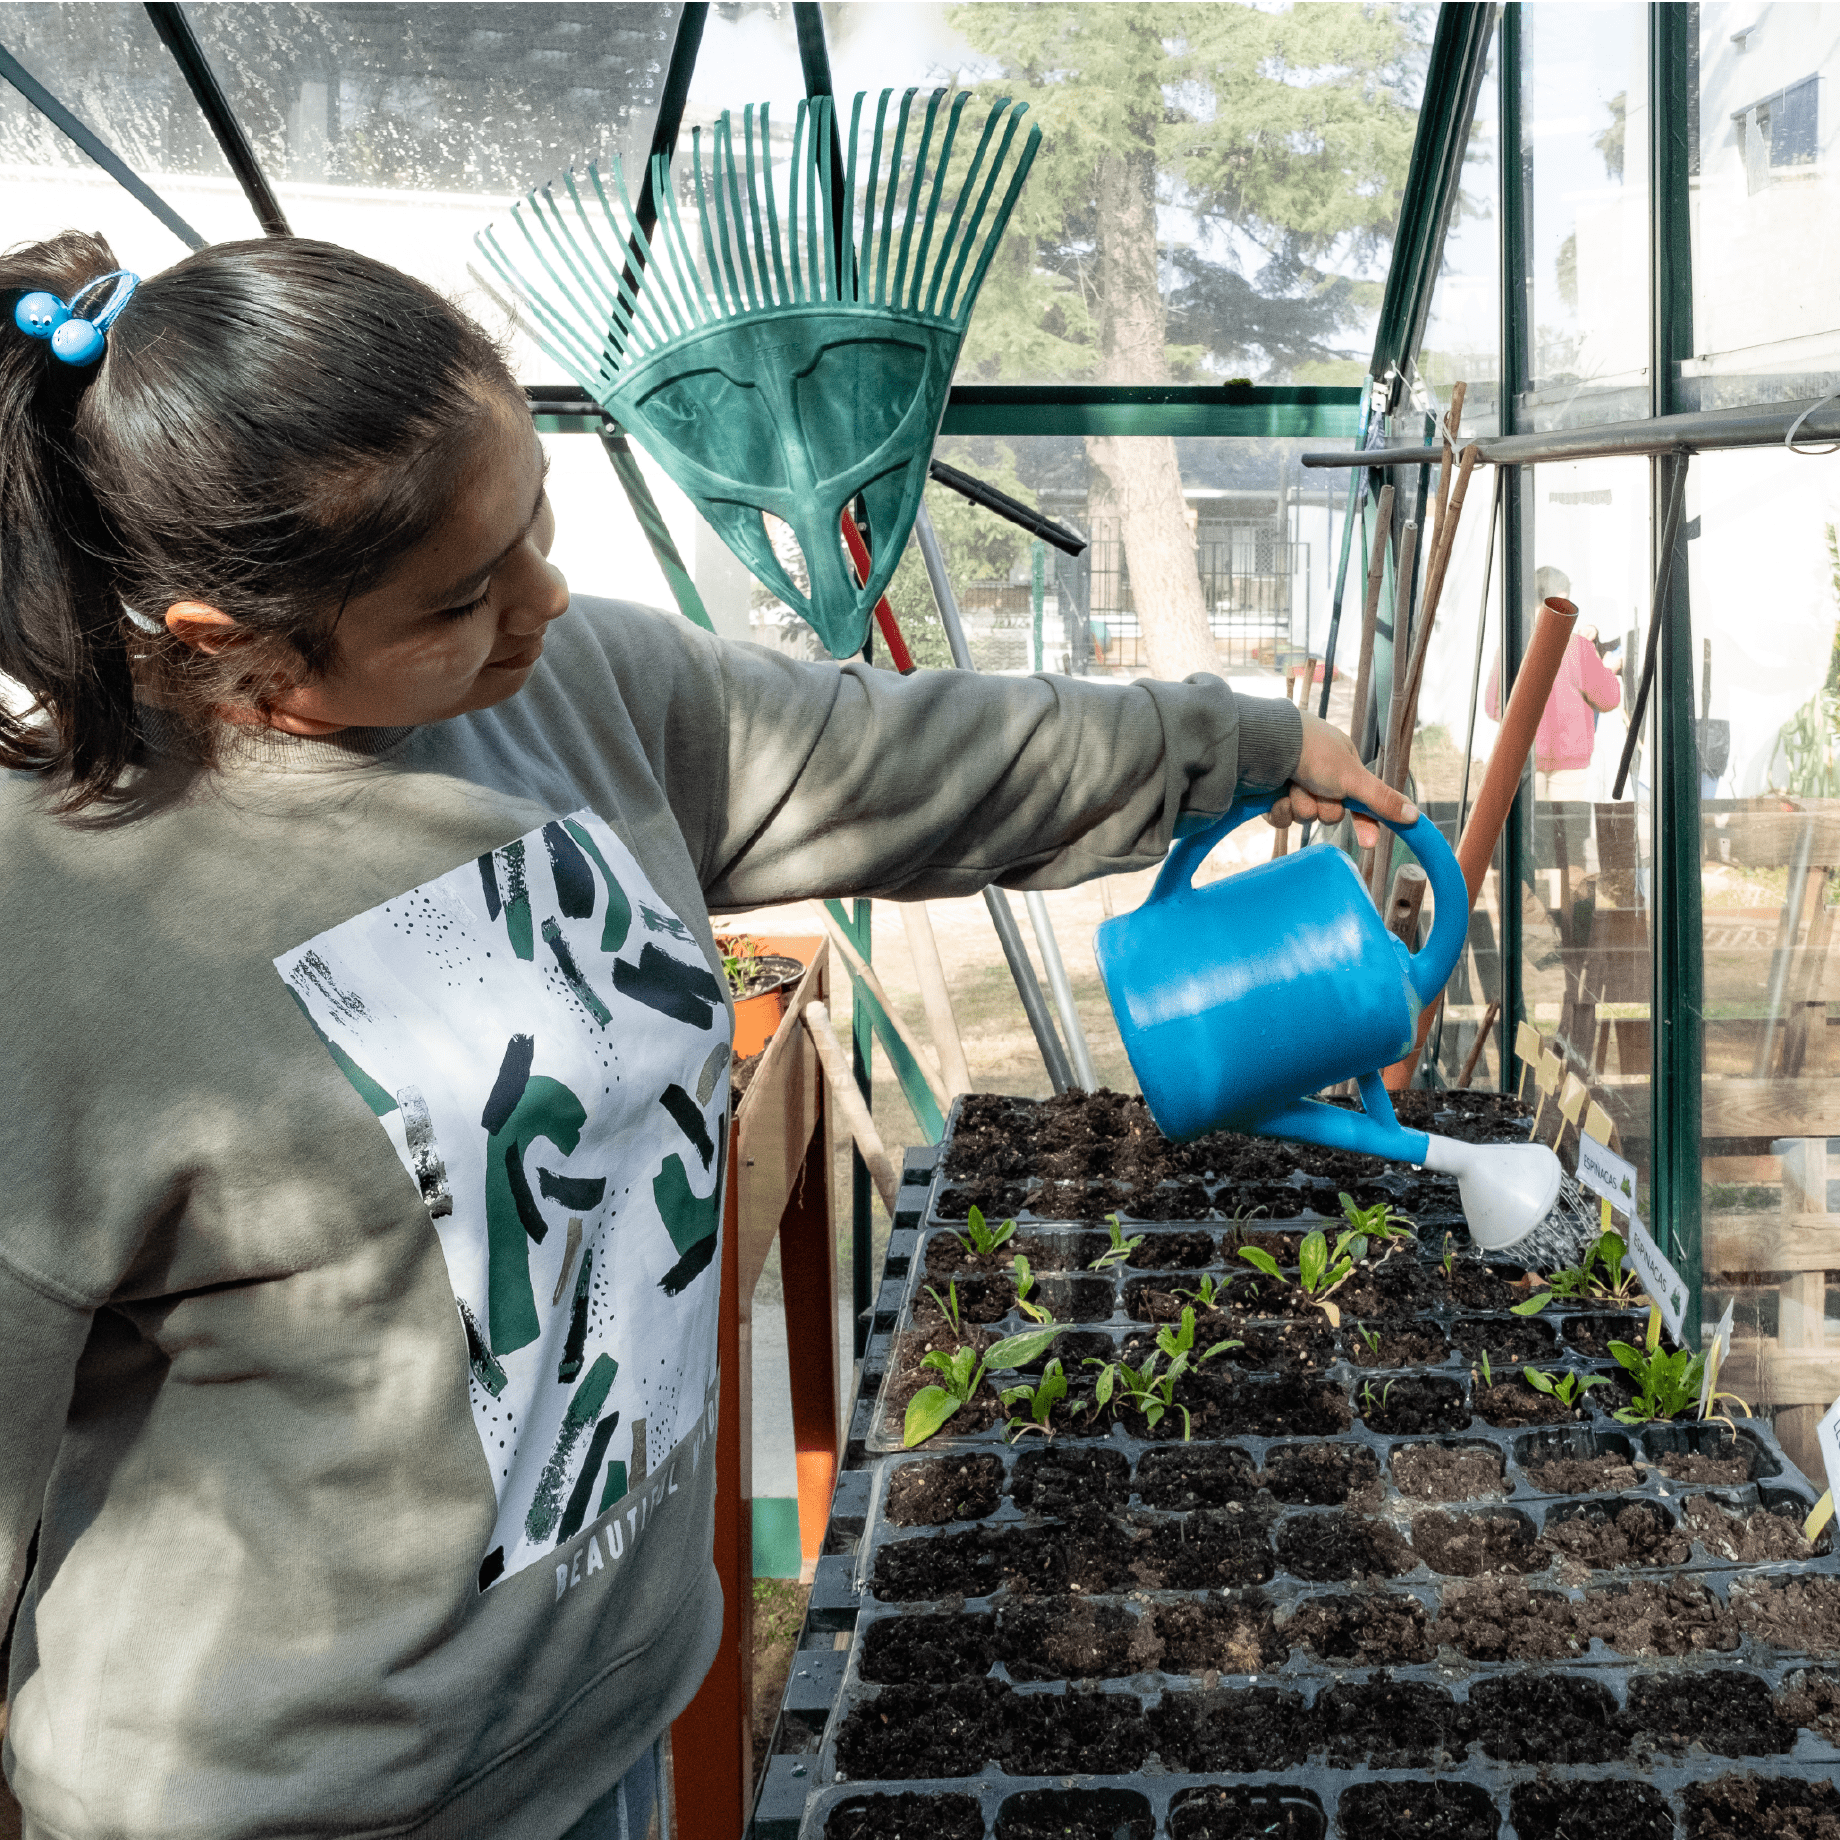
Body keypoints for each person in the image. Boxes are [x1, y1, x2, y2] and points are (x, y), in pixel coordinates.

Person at [0, 231, 1408, 1840]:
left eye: (535, 518)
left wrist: (1228, 741)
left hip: (606, 1711)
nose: (540, 598)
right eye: (460, 596)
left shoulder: (564, 686)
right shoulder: (58, 919)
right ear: (218, 641)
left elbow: (894, 757)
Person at [1483, 565, 1623, 802]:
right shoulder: (1577, 647)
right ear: (1561, 599)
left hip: (1523, 754)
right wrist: (1608, 670)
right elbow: (1609, 699)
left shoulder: (1510, 645)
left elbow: (1492, 706)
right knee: (1567, 832)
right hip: (1570, 759)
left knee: (1525, 833)